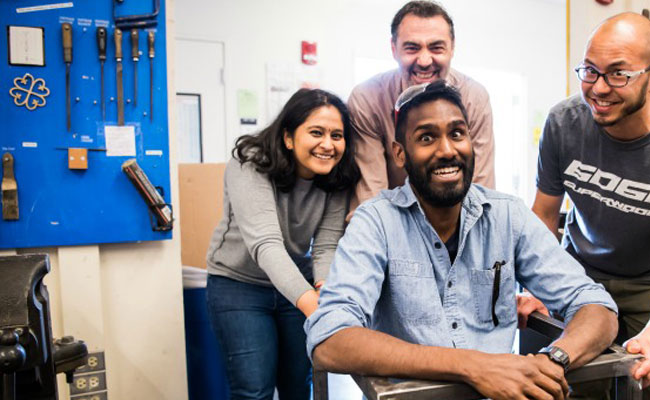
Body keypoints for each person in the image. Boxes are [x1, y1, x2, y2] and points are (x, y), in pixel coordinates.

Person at [306, 81, 618, 400]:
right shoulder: (376, 222)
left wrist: (552, 360)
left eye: (457, 134)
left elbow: (597, 307)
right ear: (400, 154)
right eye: (427, 138)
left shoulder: (508, 215)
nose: (447, 150)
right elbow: (330, 340)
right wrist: (474, 366)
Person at [529, 12, 650, 399]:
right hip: (578, 274)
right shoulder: (563, 123)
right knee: (570, 389)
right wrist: (537, 283)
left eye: (618, 74)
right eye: (589, 71)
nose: (598, 88)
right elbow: (544, 216)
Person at [205, 88, 360, 400]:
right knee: (254, 390)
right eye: (316, 132)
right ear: (289, 137)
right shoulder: (250, 162)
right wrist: (315, 308)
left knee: (296, 387)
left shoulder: (338, 175)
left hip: (294, 282)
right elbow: (267, 245)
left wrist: (324, 288)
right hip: (239, 284)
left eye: (337, 135)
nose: (328, 145)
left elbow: (326, 244)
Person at [347, 0, 495, 216]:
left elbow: (480, 194)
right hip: (393, 227)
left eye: (436, 47)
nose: (425, 61)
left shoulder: (474, 98)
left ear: (452, 48)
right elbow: (372, 199)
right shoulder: (367, 99)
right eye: (412, 48)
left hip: (458, 226)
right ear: (393, 49)